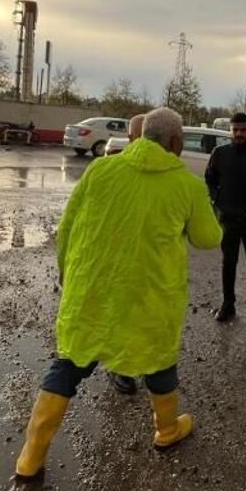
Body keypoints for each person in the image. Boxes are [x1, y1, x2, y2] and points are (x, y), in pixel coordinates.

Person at [12, 107, 221, 483]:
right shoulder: (188, 185)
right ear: (176, 143)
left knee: (69, 365)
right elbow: (208, 238)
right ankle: (166, 430)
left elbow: (68, 226)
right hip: (150, 298)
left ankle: (31, 457)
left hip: (92, 293)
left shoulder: (100, 170)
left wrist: (67, 275)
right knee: (159, 362)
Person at [205, 112, 246, 324]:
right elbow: (210, 179)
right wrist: (217, 200)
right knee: (229, 262)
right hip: (228, 218)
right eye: (235, 130)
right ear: (230, 130)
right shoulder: (220, 153)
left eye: (243, 130)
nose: (239, 134)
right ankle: (228, 304)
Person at [105, 111, 151, 396]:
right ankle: (119, 367)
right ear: (130, 138)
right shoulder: (112, 168)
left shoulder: (163, 171)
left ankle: (141, 361)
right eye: (139, 137)